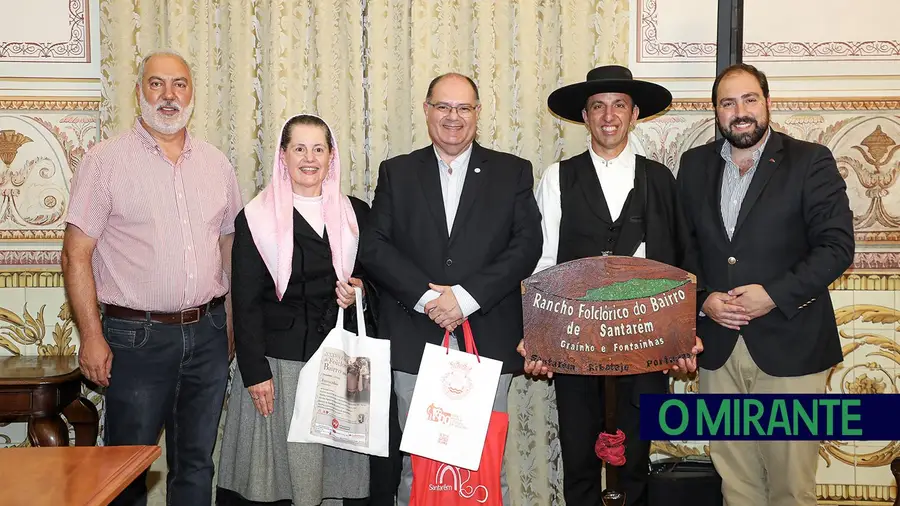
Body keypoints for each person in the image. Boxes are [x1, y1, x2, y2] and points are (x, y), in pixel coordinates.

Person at [61, 49, 243, 506]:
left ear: (192, 93)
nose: (168, 95)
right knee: (127, 468)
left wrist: (233, 322)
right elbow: (75, 255)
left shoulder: (217, 164)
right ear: (138, 91)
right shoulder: (104, 162)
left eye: (178, 84)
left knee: (198, 462)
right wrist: (91, 336)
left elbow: (229, 246)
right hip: (134, 338)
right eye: (156, 83)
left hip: (208, 335)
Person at [517, 64, 703, 506]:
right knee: (580, 458)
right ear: (584, 117)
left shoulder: (661, 179)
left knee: (636, 459)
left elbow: (681, 264)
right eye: (597, 106)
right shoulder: (557, 178)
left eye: (619, 105)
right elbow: (541, 266)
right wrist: (539, 340)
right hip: (575, 343)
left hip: (647, 341)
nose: (608, 115)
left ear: (635, 114)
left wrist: (684, 336)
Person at [358, 72, 543, 506]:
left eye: (463, 108)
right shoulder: (397, 171)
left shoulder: (511, 171)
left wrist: (464, 298)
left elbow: (526, 245)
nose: (453, 117)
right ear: (426, 110)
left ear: (478, 113)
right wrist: (429, 300)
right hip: (414, 337)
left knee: (482, 464)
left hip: (485, 339)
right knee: (419, 468)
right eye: (443, 106)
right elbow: (374, 247)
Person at [676, 63, 854, 506]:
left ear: (768, 102)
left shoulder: (810, 160)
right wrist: (702, 300)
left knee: (791, 487)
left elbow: (836, 247)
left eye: (749, 99)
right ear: (716, 111)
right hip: (717, 349)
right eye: (727, 102)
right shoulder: (693, 165)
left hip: (791, 347)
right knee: (737, 485)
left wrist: (773, 295)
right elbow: (682, 249)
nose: (740, 111)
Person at [215, 113, 400, 506]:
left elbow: (378, 277)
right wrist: (254, 373)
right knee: (280, 481)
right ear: (283, 155)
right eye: (299, 148)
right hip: (281, 368)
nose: (309, 158)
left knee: (341, 479)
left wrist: (359, 291)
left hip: (343, 362)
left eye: (319, 148)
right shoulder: (255, 218)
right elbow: (244, 301)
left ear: (332, 156)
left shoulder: (356, 213)